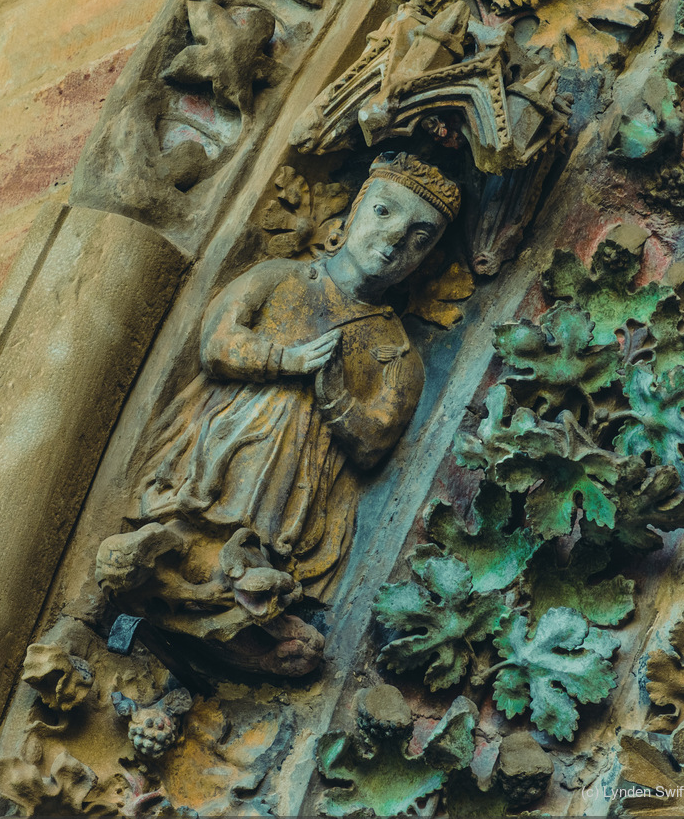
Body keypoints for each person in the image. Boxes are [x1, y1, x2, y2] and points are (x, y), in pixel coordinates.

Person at [96, 152, 460, 676]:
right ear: (354, 210)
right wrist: (286, 361)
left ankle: (238, 588)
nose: (396, 238)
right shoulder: (279, 278)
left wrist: (333, 393)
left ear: (426, 258)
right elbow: (217, 342)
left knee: (285, 456)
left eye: (421, 237)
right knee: (268, 415)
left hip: (295, 490)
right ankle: (173, 548)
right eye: (384, 212)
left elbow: (374, 441)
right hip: (217, 450)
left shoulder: (397, 351)